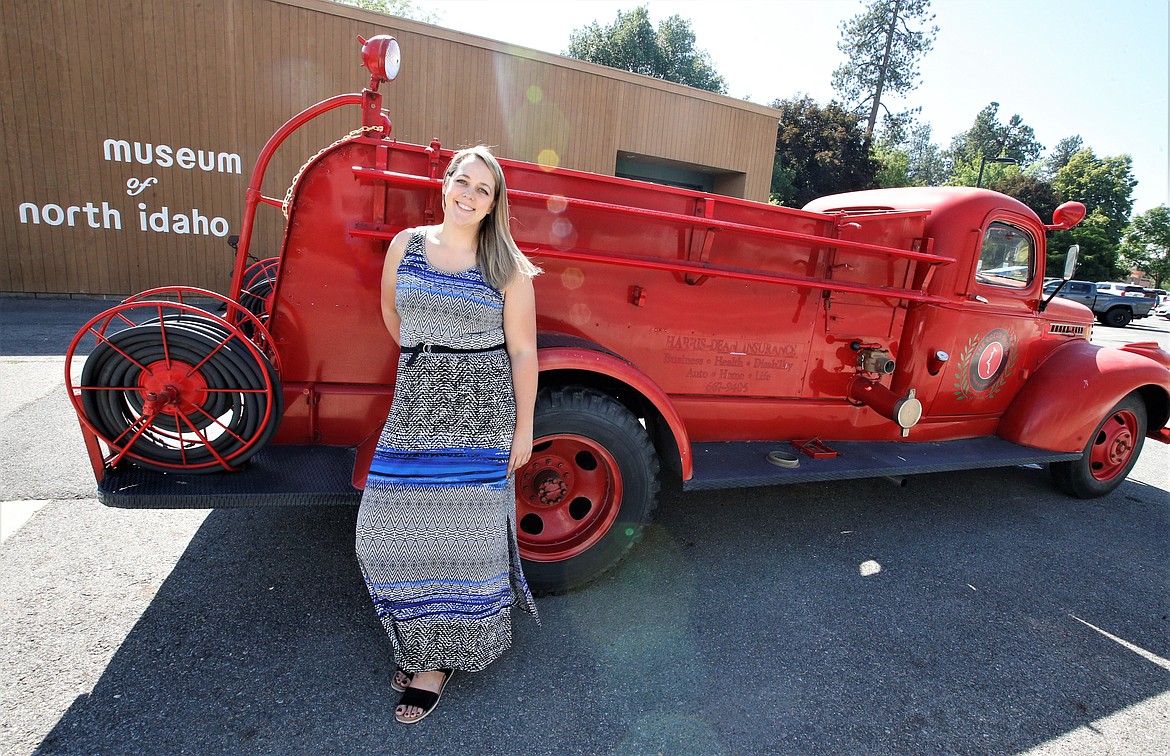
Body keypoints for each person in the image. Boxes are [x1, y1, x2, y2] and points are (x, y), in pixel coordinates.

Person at [355, 146, 541, 725]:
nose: (469, 194)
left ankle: (436, 661)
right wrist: (427, 351)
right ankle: (417, 643)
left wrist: (525, 430)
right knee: (383, 533)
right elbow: (393, 313)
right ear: (446, 184)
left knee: (463, 542)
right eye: (463, 181)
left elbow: (523, 350)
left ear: (494, 203)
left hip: (481, 407)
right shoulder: (406, 245)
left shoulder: (507, 266)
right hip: (414, 402)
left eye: (482, 189)